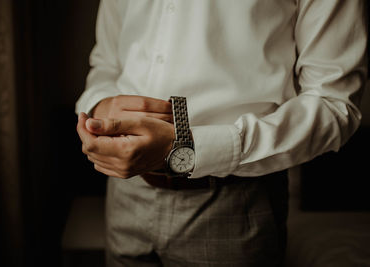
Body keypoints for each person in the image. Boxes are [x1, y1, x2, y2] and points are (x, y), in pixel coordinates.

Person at [76, 1, 367, 266]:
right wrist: (99, 108)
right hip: (123, 192)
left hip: (233, 202)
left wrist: (193, 151)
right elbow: (105, 65)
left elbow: (334, 104)